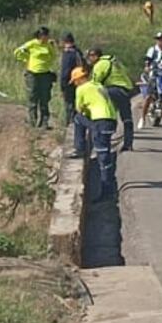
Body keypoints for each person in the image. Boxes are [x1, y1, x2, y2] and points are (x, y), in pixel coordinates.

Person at [71, 65, 118, 199]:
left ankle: (79, 148)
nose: (75, 84)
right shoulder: (99, 85)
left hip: (100, 122)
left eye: (74, 81)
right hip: (111, 120)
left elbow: (79, 109)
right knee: (105, 154)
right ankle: (109, 186)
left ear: (79, 79)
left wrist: (87, 112)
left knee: (78, 118)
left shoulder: (81, 89)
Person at [86, 47, 135, 152]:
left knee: (106, 115)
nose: (89, 59)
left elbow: (95, 83)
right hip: (125, 90)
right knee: (127, 118)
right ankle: (128, 143)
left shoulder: (100, 64)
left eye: (90, 56)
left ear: (95, 56)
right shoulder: (115, 62)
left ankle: (104, 139)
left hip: (111, 90)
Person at [14, 26, 56, 130]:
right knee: (32, 96)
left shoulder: (48, 45)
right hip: (32, 74)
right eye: (45, 36)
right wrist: (25, 59)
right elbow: (18, 52)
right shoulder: (32, 44)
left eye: (47, 36)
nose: (46, 38)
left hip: (45, 74)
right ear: (40, 36)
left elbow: (53, 55)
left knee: (44, 98)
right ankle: (32, 121)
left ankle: (44, 122)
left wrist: (47, 64)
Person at [59, 33, 82, 125]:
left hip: (70, 81)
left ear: (65, 42)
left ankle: (71, 123)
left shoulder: (68, 53)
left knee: (69, 103)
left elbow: (65, 70)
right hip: (80, 80)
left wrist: (62, 84)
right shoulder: (77, 52)